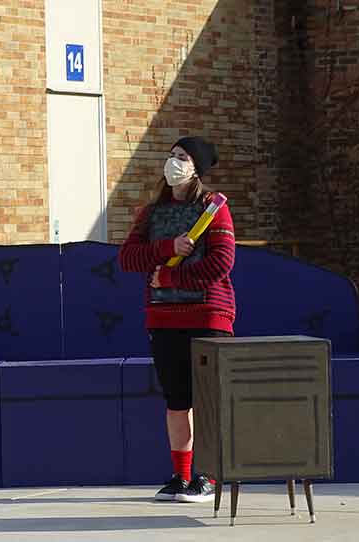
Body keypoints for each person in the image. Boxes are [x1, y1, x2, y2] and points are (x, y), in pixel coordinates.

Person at [119, 136, 236, 502]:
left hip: (208, 317)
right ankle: (181, 476)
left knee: (206, 401)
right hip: (163, 318)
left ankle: (207, 475)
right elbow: (128, 258)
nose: (173, 162)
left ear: (196, 167)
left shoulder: (213, 210)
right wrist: (168, 248)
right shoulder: (152, 213)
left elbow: (221, 264)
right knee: (176, 400)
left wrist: (171, 277)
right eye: (171, 156)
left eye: (182, 157)